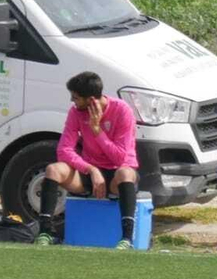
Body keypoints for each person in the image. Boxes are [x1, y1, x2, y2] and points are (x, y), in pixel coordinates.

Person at [36, 71, 141, 249]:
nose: (72, 101)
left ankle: (127, 238)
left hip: (118, 175)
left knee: (124, 173)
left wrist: (97, 130)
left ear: (91, 100)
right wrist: (90, 169)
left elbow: (120, 157)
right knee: (53, 169)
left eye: (75, 97)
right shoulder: (76, 112)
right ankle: (46, 233)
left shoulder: (122, 110)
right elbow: (64, 150)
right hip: (90, 174)